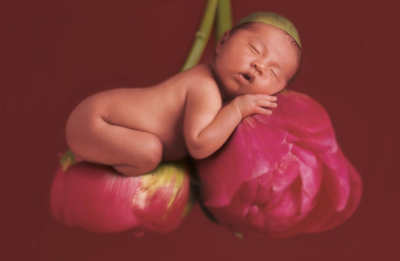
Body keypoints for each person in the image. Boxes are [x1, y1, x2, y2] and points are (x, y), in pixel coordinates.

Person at [66, 12, 302, 176]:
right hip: (96, 121)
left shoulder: (213, 88)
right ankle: (91, 166)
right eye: (254, 49)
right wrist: (238, 109)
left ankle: (92, 155)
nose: (259, 66)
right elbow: (199, 145)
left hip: (99, 120)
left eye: (272, 72)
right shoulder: (204, 87)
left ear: (278, 91)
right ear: (222, 42)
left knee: (148, 152)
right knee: (148, 153)